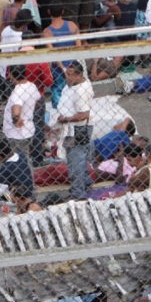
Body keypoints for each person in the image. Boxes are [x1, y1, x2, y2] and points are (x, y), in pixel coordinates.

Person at [55, 61, 94, 200]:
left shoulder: (81, 91)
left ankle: (78, 193)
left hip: (77, 129)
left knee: (75, 161)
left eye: (70, 75)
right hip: (73, 128)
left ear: (78, 75)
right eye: (66, 73)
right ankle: (86, 183)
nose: (67, 77)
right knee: (79, 158)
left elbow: (84, 114)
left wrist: (66, 119)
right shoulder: (75, 84)